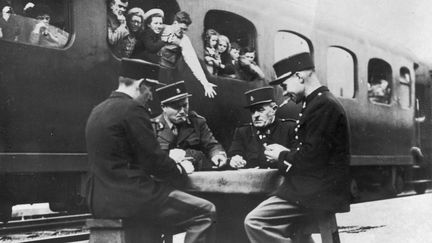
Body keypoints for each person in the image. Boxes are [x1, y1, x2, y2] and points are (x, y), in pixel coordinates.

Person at [85, 58, 216, 243]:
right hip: (133, 199)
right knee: (205, 211)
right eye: (150, 89)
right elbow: (154, 162)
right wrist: (181, 168)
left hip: (99, 201)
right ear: (141, 84)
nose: (151, 96)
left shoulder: (97, 110)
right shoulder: (133, 109)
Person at [244, 52, 351, 243]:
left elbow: (312, 158)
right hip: (315, 188)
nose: (284, 93)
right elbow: (312, 151)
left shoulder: (322, 106)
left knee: (255, 222)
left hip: (316, 192)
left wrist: (281, 155)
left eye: (285, 86)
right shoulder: (318, 102)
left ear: (299, 76)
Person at [153, 81, 227, 170]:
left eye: (185, 105)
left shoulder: (197, 122)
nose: (182, 111)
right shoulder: (152, 126)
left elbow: (212, 146)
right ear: (163, 107)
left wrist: (217, 155)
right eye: (176, 107)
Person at [228, 86, 296, 169]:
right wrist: (234, 160)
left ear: (274, 109)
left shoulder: (290, 128)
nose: (255, 115)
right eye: (252, 111)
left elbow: (299, 160)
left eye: (261, 110)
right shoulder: (243, 132)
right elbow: (233, 154)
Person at [159, 11, 216, 98]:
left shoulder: (184, 40)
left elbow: (193, 62)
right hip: (153, 69)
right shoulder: (160, 28)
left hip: (168, 74)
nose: (183, 32)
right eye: (181, 28)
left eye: (185, 30)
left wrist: (205, 83)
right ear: (175, 23)